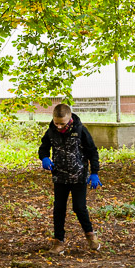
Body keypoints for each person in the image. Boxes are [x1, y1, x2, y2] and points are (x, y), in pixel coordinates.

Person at [38, 103, 102, 254]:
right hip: (60, 177)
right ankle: (58, 242)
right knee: (59, 209)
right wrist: (44, 158)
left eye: (62, 123)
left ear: (70, 118)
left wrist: (94, 172)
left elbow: (92, 151)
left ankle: (91, 236)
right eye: (56, 123)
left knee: (79, 207)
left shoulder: (80, 131)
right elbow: (43, 148)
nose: (59, 127)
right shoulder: (51, 131)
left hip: (79, 176)